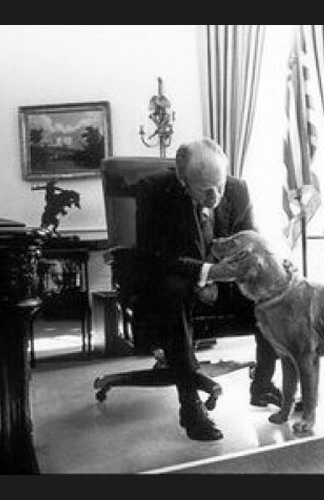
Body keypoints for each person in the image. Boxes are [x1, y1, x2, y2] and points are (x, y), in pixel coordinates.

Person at [133, 137, 282, 441]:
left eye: (220, 185)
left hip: (226, 285)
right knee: (173, 293)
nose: (215, 196)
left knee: (272, 294)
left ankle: (263, 384)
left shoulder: (238, 189)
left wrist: (276, 266)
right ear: (181, 178)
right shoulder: (153, 191)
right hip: (176, 283)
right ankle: (190, 405)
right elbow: (154, 257)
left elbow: (250, 239)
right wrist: (207, 272)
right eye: (205, 189)